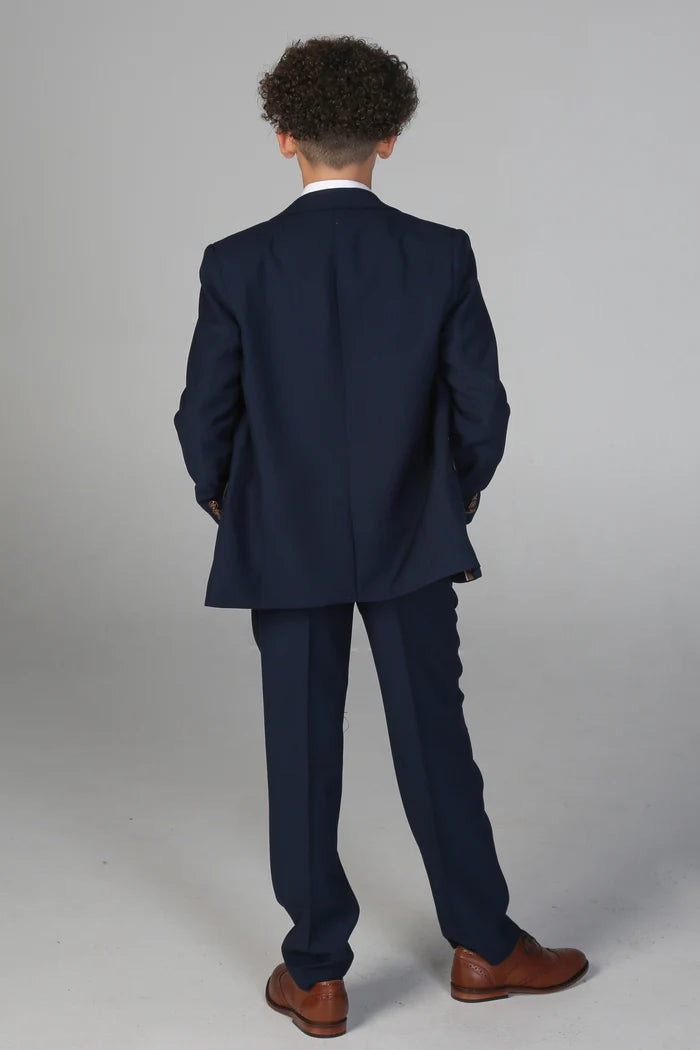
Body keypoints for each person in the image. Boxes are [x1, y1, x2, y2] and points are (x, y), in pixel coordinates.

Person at [173, 33, 588, 1038]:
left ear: (283, 137)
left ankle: (316, 973)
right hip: (411, 533)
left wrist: (225, 497)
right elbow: (481, 406)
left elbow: (204, 414)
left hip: (284, 537)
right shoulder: (439, 253)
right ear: (389, 138)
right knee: (434, 738)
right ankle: (484, 946)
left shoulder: (237, 262)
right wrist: (454, 495)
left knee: (300, 747)